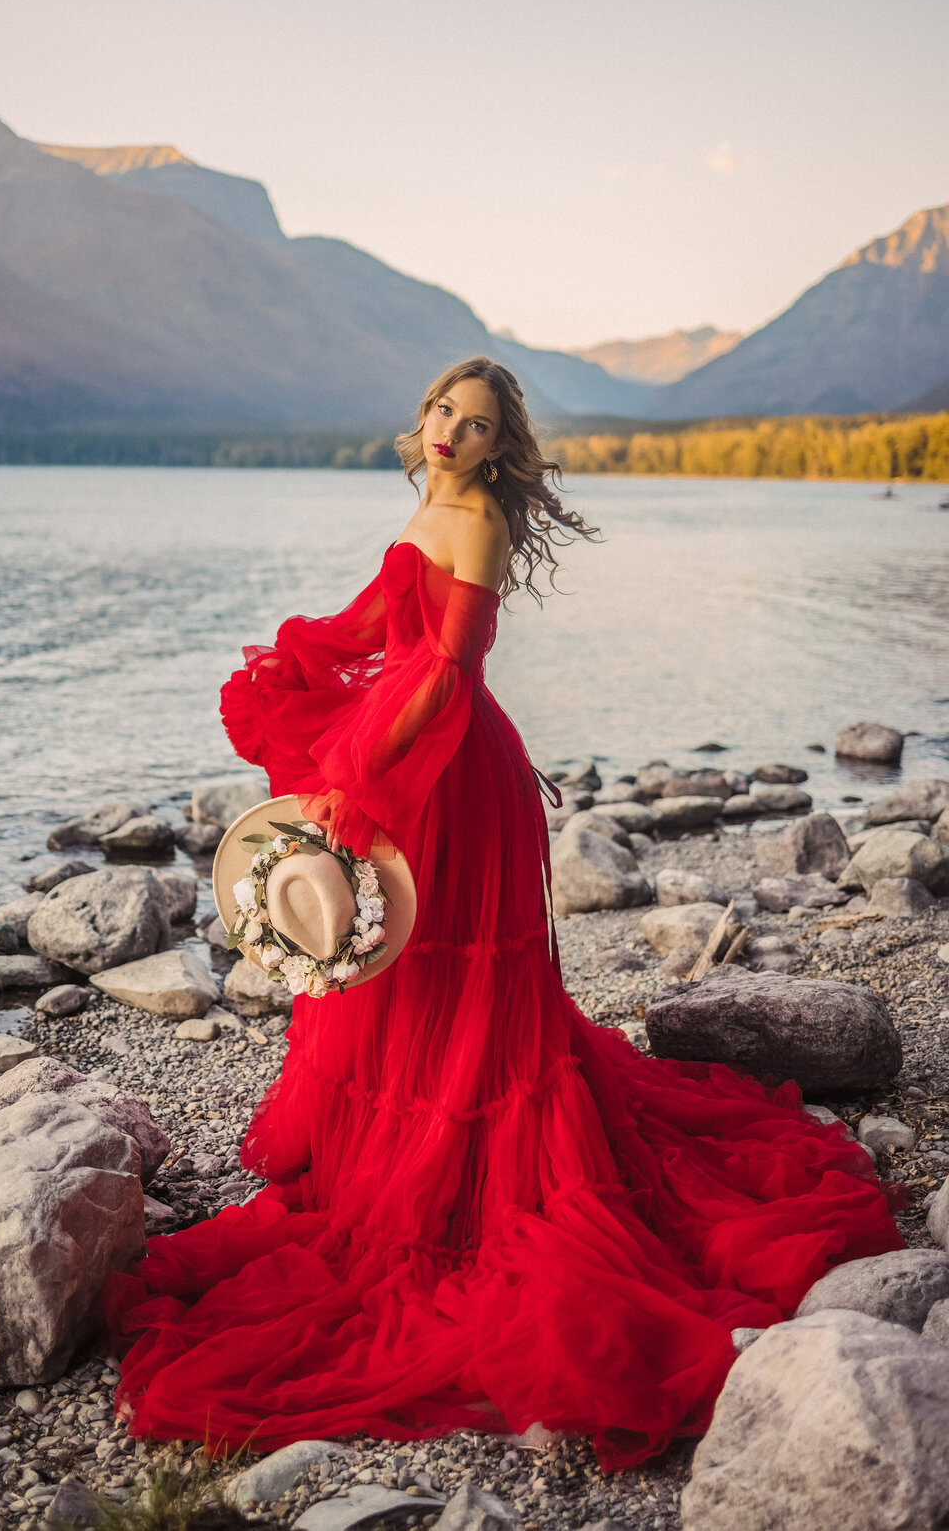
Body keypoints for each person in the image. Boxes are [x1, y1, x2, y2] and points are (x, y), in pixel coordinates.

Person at [105, 356, 903, 1471]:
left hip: (448, 767)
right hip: (402, 751)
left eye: (474, 424)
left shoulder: (474, 518)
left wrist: (356, 768)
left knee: (460, 968)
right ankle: (390, 1145)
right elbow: (379, 630)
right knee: (401, 965)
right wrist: (309, 669)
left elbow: (441, 676)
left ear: (498, 446)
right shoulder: (430, 496)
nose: (448, 431)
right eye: (441, 409)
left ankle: (460, 1166)